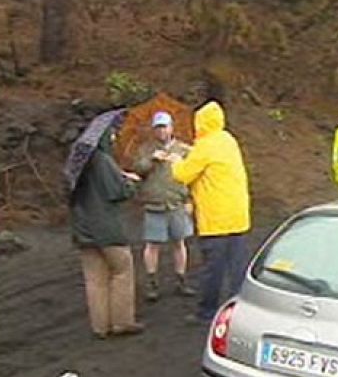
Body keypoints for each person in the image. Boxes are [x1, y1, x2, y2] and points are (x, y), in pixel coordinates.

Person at [161, 101, 251, 323]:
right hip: (238, 216)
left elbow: (182, 175)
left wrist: (175, 161)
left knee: (213, 269)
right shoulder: (228, 140)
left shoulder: (205, 146)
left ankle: (207, 311)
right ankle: (239, 310)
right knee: (237, 266)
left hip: (215, 219)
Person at [70, 124, 144, 339]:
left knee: (94, 280)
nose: (113, 137)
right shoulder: (102, 160)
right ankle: (122, 322)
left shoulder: (79, 165)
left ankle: (100, 327)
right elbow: (119, 192)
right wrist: (130, 181)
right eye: (111, 134)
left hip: (82, 229)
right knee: (122, 271)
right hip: (106, 228)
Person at [132, 111, 196, 301]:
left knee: (180, 243)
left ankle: (181, 280)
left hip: (177, 203)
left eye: (164, 126)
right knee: (152, 245)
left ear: (171, 127)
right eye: (158, 127)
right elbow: (138, 170)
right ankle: (152, 283)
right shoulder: (145, 149)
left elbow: (194, 176)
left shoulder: (185, 150)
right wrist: (151, 159)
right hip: (154, 204)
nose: (161, 131)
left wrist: (190, 200)